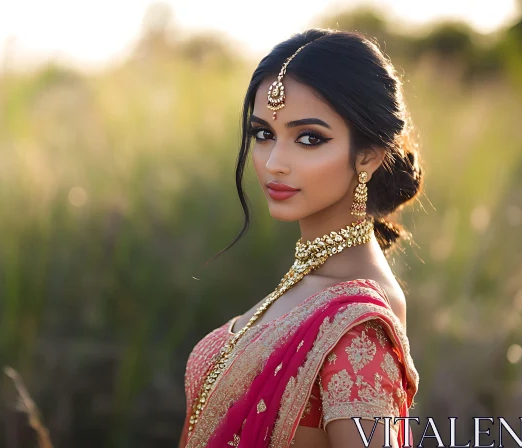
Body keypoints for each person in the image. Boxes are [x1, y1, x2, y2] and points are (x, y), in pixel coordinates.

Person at [179, 28, 423, 448]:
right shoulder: (311, 282)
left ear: (368, 155)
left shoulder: (358, 325)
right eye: (263, 134)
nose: (274, 163)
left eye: (309, 138)